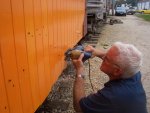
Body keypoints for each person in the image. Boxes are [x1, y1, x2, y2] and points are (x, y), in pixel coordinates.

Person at [72, 42, 147, 113]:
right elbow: (115, 58)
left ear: (117, 71)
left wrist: (79, 71)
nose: (103, 57)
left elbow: (79, 107)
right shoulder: (133, 72)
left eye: (106, 58)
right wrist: (96, 52)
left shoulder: (113, 96)